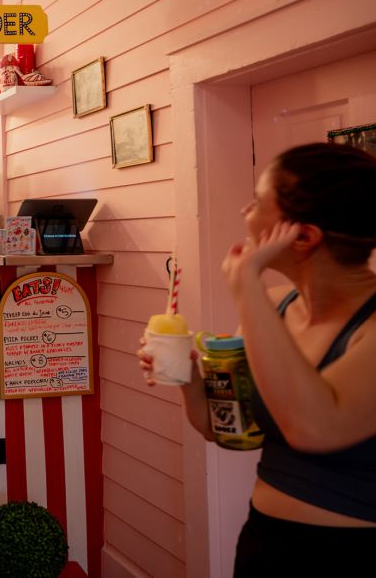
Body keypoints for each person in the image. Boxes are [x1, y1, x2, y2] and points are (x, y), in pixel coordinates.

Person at [139, 142, 376, 575]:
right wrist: (188, 374)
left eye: (257, 202)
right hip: (265, 541)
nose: (245, 212)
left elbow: (312, 427)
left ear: (303, 236)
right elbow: (226, 427)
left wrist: (246, 282)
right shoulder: (276, 304)